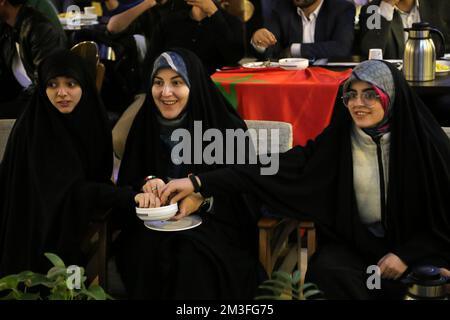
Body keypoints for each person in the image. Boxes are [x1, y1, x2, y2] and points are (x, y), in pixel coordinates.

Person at [160, 59, 450, 299]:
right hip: (359, 248)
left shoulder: (427, 147)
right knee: (326, 272)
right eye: (351, 94)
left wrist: (406, 255)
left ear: (391, 96)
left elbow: (443, 220)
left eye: (370, 94)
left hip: (418, 248)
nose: (358, 104)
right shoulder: (336, 144)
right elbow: (265, 168)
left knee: (433, 279)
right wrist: (199, 183)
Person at [114, 48, 264, 299]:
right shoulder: (145, 123)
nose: (165, 93)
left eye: (177, 83)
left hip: (215, 225)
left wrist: (202, 198)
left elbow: (246, 190)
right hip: (154, 227)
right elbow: (130, 179)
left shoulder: (224, 126)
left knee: (190, 257)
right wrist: (147, 184)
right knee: (142, 252)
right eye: (158, 83)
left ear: (194, 85)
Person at [0, 50, 152, 276]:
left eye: (71, 84)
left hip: (71, 212)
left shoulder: (89, 118)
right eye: (52, 85)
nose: (62, 93)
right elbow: (69, 192)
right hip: (35, 230)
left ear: (84, 85)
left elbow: (93, 178)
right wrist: (127, 196)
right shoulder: (37, 129)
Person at [0, 0, 66, 119]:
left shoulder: (39, 29)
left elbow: (46, 81)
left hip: (43, 105)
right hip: (23, 97)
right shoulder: (7, 28)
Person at [146, 0, 244, 75]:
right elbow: (151, 62)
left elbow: (234, 57)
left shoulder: (232, 22)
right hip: (175, 87)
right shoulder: (169, 22)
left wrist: (213, 12)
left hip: (214, 90)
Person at [251, 0, 356, 61]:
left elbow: (342, 48)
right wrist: (260, 42)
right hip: (291, 80)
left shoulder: (342, 8)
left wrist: (294, 49)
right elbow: (272, 52)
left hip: (330, 79)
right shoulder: (281, 8)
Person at [359, 0, 450, 59]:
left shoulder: (441, 5)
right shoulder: (372, 9)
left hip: (436, 81)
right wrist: (387, 6)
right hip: (393, 82)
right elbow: (370, 54)